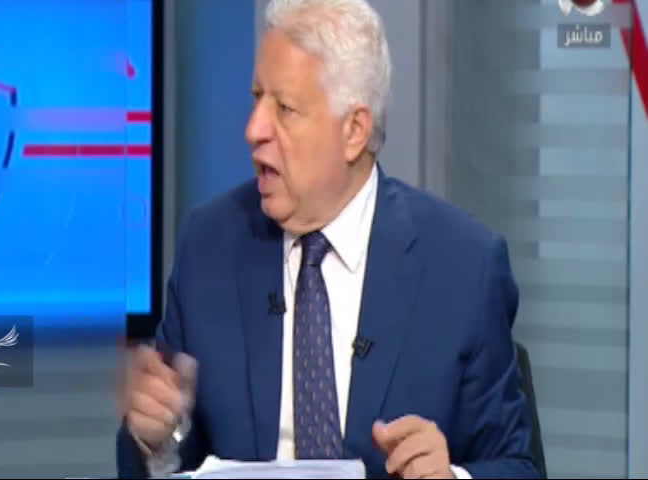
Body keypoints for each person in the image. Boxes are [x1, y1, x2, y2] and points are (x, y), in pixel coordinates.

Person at [118, 0, 539, 478]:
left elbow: (518, 467)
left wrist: (452, 477)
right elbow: (168, 454)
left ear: (354, 130)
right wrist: (155, 439)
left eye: (284, 108)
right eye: (256, 98)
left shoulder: (463, 265)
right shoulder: (209, 247)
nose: (253, 130)